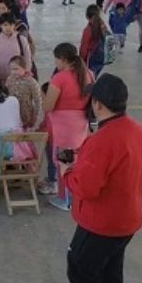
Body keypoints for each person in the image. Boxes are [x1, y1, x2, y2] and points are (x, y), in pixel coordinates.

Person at [61, 73, 142, 283]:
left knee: (79, 269)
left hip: (101, 224)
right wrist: (83, 157)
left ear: (98, 104)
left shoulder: (101, 140)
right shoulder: (139, 131)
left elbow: (85, 188)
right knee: (110, 271)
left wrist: (67, 171)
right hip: (127, 220)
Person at [42, 43, 93, 211]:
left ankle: (66, 199)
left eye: (56, 59)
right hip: (80, 126)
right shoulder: (89, 74)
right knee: (77, 161)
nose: (55, 63)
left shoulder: (60, 78)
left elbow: (48, 106)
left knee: (64, 163)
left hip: (63, 129)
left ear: (62, 59)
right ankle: (76, 195)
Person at [0, 13, 32, 82]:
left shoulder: (21, 39)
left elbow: (28, 57)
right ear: (0, 26)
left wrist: (27, 72)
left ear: (14, 25)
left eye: (11, 24)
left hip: (17, 78)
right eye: (5, 25)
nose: (8, 28)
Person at [5, 56, 42, 130]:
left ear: (24, 68)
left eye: (16, 69)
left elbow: (37, 100)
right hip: (12, 113)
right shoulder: (9, 79)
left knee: (26, 135)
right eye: (11, 69)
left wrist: (36, 116)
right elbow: (6, 95)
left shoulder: (31, 82)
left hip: (26, 114)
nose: (13, 72)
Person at [79, 5, 110, 76]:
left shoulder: (88, 30)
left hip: (92, 59)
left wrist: (81, 60)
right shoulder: (103, 25)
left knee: (89, 78)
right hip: (103, 57)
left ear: (87, 16)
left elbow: (84, 49)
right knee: (95, 75)